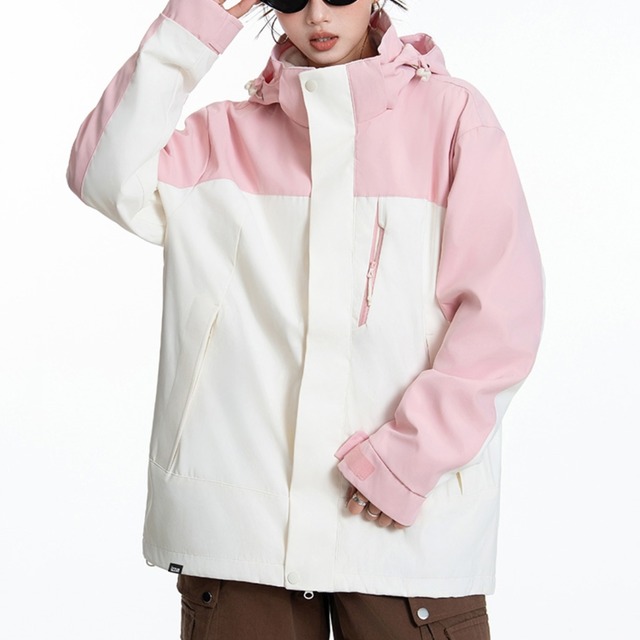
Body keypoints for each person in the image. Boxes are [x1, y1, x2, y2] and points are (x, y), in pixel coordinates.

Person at [67, 0, 544, 637]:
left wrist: (411, 457)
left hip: (405, 532)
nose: (317, 13)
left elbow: (503, 312)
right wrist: (192, 25)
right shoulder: (222, 138)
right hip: (242, 534)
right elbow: (103, 175)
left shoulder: (452, 118)